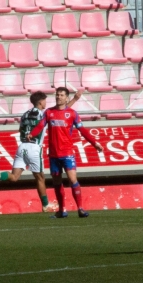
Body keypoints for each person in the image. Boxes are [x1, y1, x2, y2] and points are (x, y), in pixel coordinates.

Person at [0, 90, 80, 212]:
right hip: (34, 147)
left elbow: (21, 130)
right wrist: (75, 99)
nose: (46, 103)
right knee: (40, 178)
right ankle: (45, 205)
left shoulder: (24, 115)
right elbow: (60, 112)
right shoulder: (43, 114)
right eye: (45, 100)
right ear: (41, 102)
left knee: (14, 177)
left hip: (22, 147)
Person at [27, 87, 104, 218]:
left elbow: (83, 130)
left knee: (72, 179)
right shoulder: (49, 112)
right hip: (53, 155)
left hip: (67, 153)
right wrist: (32, 134)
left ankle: (80, 208)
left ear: (66, 98)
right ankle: (62, 210)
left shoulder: (72, 113)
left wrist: (94, 143)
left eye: (62, 95)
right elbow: (40, 125)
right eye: (57, 95)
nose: (59, 97)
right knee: (57, 182)